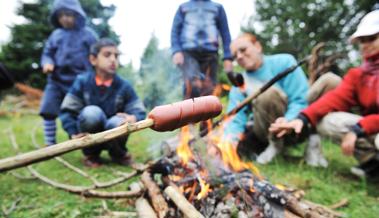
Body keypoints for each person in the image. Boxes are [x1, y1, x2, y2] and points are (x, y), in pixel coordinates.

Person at [269, 10, 379, 178]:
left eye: (371, 39)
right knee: (328, 122)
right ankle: (373, 165)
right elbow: (335, 98)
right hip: (373, 126)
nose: (365, 45)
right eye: (362, 41)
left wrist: (357, 130)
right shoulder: (359, 74)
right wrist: (301, 119)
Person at [224, 33, 339, 167]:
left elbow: (300, 98)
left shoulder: (284, 62)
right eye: (234, 55)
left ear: (258, 46)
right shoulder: (239, 85)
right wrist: (228, 143)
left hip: (299, 124)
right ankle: (275, 146)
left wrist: (289, 119)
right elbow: (236, 118)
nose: (239, 56)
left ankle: (314, 142)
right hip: (265, 130)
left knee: (331, 81)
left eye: (243, 50)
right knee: (267, 93)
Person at [60, 38, 146, 168]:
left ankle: (119, 154)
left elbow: (138, 109)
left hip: (115, 134)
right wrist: (73, 133)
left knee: (118, 122)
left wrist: (133, 117)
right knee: (91, 113)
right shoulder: (82, 82)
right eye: (107, 55)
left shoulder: (124, 85)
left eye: (116, 56)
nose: (113, 59)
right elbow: (67, 110)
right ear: (93, 59)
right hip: (89, 137)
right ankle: (91, 155)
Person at [39, 0, 97, 146]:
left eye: (68, 14)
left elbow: (97, 53)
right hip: (56, 79)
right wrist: (47, 62)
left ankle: (80, 140)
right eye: (61, 15)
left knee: (80, 112)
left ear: (77, 14)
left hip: (79, 82)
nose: (65, 18)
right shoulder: (56, 35)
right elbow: (48, 53)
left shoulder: (88, 34)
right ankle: (49, 143)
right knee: (48, 108)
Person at [170, 0, 233, 99]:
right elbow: (175, 31)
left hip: (210, 55)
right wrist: (176, 51)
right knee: (192, 85)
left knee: (209, 88)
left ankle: (209, 113)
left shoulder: (217, 8)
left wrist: (228, 57)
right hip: (188, 54)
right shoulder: (183, 7)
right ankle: (188, 113)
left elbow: (225, 33)